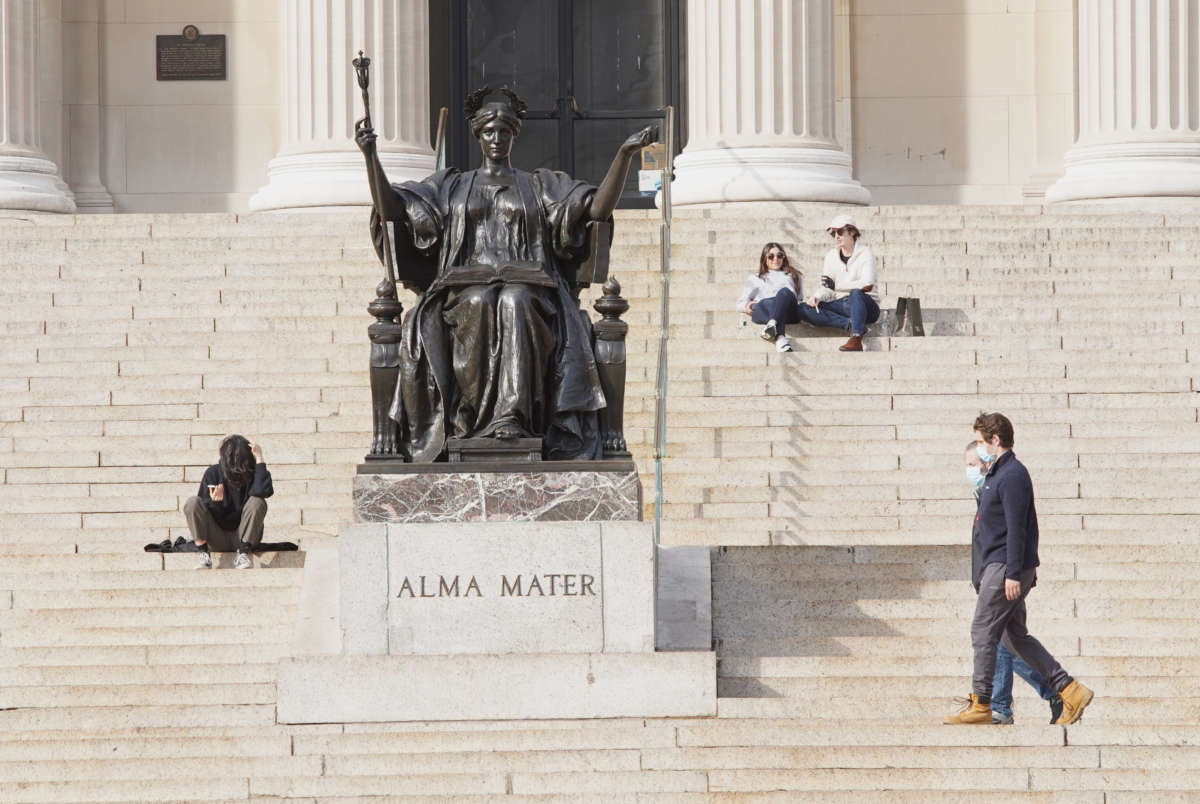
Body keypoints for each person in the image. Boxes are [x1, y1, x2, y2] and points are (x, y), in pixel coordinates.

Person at [355, 86, 656, 461]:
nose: (497, 139)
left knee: (514, 300)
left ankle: (511, 420)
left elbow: (595, 209)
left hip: (533, 290)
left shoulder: (540, 184)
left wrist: (624, 156)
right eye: (489, 131)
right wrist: (371, 157)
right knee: (481, 300)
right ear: (478, 135)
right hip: (463, 291)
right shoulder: (451, 185)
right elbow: (393, 209)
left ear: (515, 135)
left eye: (504, 132)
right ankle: (471, 423)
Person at [945, 413, 1094, 725]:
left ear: (996, 441)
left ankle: (982, 702)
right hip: (1002, 566)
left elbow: (1019, 528)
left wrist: (1014, 572)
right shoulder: (1001, 474)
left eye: (983, 442)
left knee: (983, 631)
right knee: (1014, 637)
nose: (980, 448)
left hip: (1004, 568)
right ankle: (1068, 688)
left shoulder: (1011, 475)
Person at [963, 441, 1063, 725]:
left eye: (973, 464)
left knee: (996, 640)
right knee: (1008, 640)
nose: (970, 470)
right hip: (995, 577)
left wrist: (1013, 573)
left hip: (1004, 576)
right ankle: (1056, 688)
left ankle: (999, 705)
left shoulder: (1003, 484)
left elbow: (1017, 530)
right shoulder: (985, 493)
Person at [182, 435, 273, 570]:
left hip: (245, 536)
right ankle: (203, 554)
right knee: (192, 502)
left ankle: (243, 554)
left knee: (257, 501)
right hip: (216, 537)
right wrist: (214, 503)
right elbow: (200, 512)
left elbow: (263, 492)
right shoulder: (213, 473)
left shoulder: (254, 472)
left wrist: (259, 457)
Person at [799, 214, 880, 352]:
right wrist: (817, 296)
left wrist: (837, 286)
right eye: (833, 233)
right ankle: (848, 323)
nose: (836, 236)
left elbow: (867, 284)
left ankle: (856, 337)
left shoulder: (865, 253)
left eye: (840, 232)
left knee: (856, 293)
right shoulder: (831, 256)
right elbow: (826, 286)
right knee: (802, 308)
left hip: (867, 306)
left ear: (852, 232)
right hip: (842, 304)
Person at [736, 242, 804, 352]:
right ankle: (780, 338)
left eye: (779, 255)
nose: (775, 259)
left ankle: (772, 326)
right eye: (771, 256)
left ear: (784, 257)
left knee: (784, 293)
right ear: (764, 259)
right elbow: (740, 304)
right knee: (768, 303)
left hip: (788, 313)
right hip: (764, 310)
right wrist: (748, 305)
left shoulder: (794, 275)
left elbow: (799, 299)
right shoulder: (755, 278)